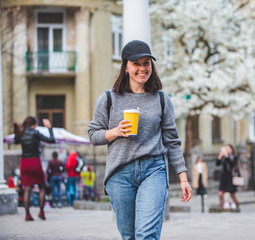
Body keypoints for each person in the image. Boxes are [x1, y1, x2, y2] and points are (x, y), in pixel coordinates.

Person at [88, 40, 191, 239]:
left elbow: (172, 141)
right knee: (130, 236)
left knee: (146, 234)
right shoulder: (108, 99)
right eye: (137, 63)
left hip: (153, 170)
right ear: (126, 66)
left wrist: (183, 176)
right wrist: (115, 132)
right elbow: (93, 135)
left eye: (146, 63)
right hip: (120, 173)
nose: (142, 68)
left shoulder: (162, 100)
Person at [13, 116, 55, 221]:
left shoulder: (21, 133)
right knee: (42, 187)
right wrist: (49, 128)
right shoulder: (35, 133)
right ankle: (41, 212)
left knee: (27, 189)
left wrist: (17, 129)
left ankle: (27, 215)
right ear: (34, 124)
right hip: (35, 161)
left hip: (24, 162)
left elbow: (15, 141)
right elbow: (51, 140)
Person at [216, 144, 239, 210]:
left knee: (231, 194)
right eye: (225, 149)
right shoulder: (223, 156)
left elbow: (232, 165)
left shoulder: (234, 157)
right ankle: (222, 206)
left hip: (231, 177)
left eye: (228, 149)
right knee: (220, 193)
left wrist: (226, 156)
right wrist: (220, 156)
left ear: (231, 149)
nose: (227, 150)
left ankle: (236, 204)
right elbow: (217, 164)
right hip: (223, 177)